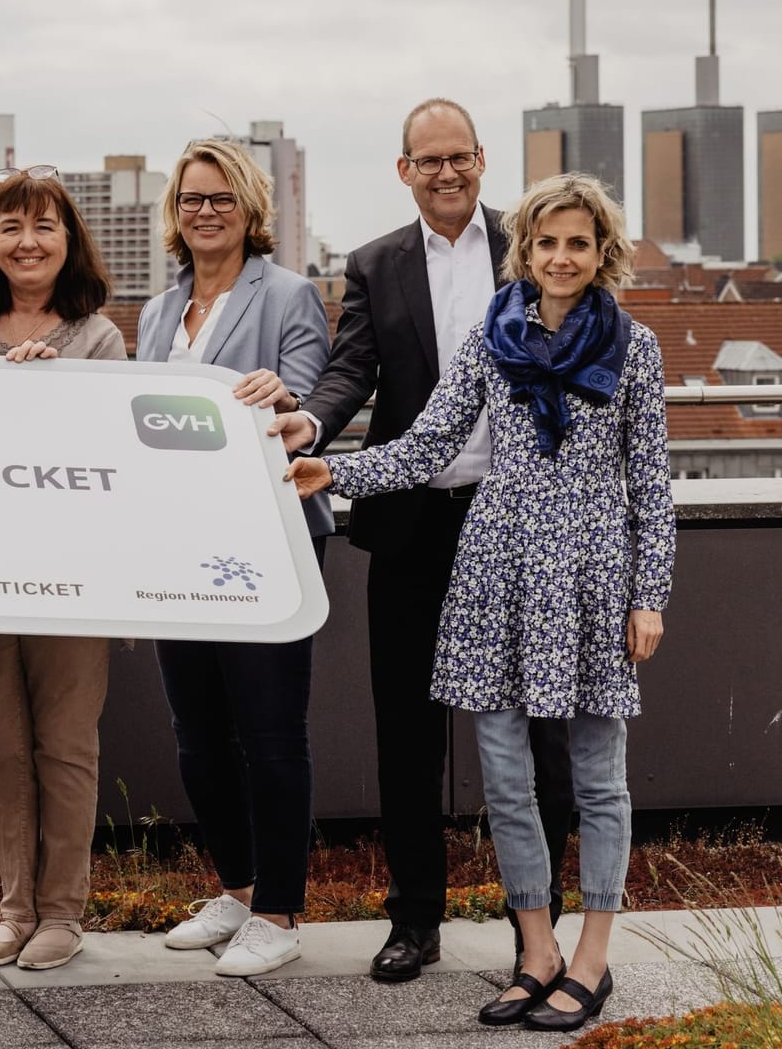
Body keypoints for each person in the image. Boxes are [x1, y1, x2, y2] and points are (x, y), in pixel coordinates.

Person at [288, 172, 671, 1031]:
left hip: (589, 578)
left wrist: (650, 598)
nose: (561, 257)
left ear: (601, 252)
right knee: (505, 780)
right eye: (546, 243)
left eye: (579, 242)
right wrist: (336, 469)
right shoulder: (491, 341)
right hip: (494, 573)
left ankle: (591, 959)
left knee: (597, 780)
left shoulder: (635, 348)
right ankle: (535, 952)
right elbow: (427, 442)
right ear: (524, 253)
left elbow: (651, 486)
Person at [268, 99, 575, 984]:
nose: (446, 173)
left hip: (516, 525)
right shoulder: (374, 264)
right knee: (407, 735)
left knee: (538, 732)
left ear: (482, 160)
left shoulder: (535, 241)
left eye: (460, 157)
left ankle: (538, 925)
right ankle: (415, 923)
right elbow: (350, 370)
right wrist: (312, 428)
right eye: (427, 160)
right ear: (404, 170)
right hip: (412, 526)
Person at [132, 139, 331, 976]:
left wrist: (286, 399)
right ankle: (239, 890)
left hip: (264, 543)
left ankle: (281, 910)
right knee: (198, 735)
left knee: (269, 734)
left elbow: (311, 387)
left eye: (220, 198)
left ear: (250, 209)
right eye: (190, 199)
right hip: (180, 547)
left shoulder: (288, 294)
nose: (204, 212)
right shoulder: (155, 310)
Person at [0, 167, 124, 971]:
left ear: (68, 242)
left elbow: (114, 455)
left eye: (45, 227)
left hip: (71, 569)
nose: (28, 242)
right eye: (12, 227)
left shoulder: (98, 337)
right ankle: (14, 908)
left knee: (66, 743)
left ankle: (62, 913)